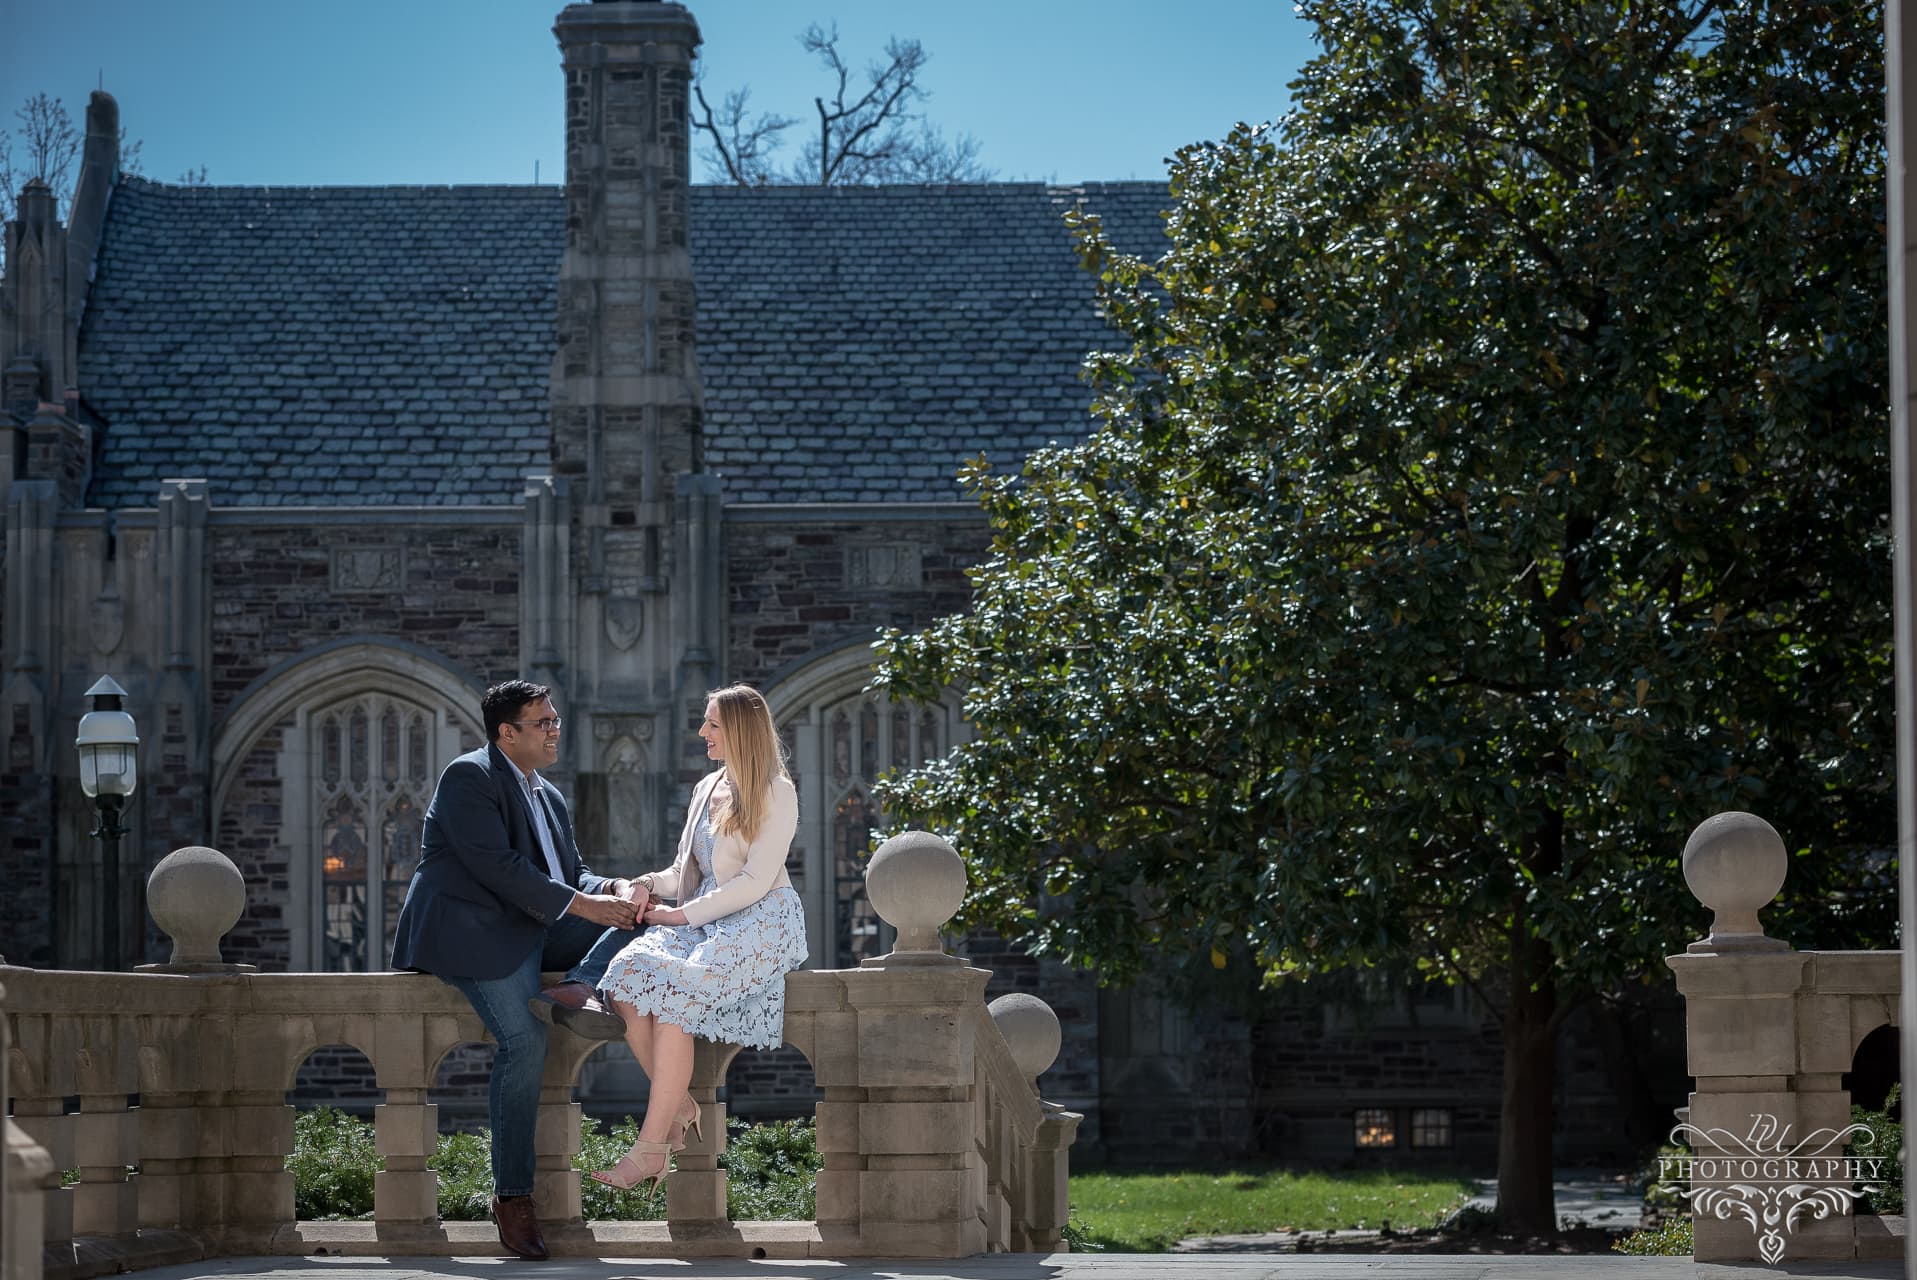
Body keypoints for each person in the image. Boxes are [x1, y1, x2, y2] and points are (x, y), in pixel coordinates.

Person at [390, 679, 644, 1261]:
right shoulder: (469, 777)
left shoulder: (549, 797)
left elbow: (571, 873)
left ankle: (581, 980)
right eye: (543, 722)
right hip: (474, 931)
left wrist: (617, 890)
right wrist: (587, 905)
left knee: (650, 917)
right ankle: (512, 1199)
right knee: (525, 1040)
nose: (555, 730)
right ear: (508, 732)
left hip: (536, 923)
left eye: (555, 720)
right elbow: (498, 867)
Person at [588, 684, 810, 1191]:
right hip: (703, 915)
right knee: (623, 979)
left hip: (761, 919)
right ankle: (681, 1103)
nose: (702, 732)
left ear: (739, 729)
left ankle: (648, 1149)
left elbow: (753, 882)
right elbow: (684, 875)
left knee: (674, 999)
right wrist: (644, 885)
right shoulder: (706, 788)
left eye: (711, 724)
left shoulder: (778, 791)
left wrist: (679, 917)